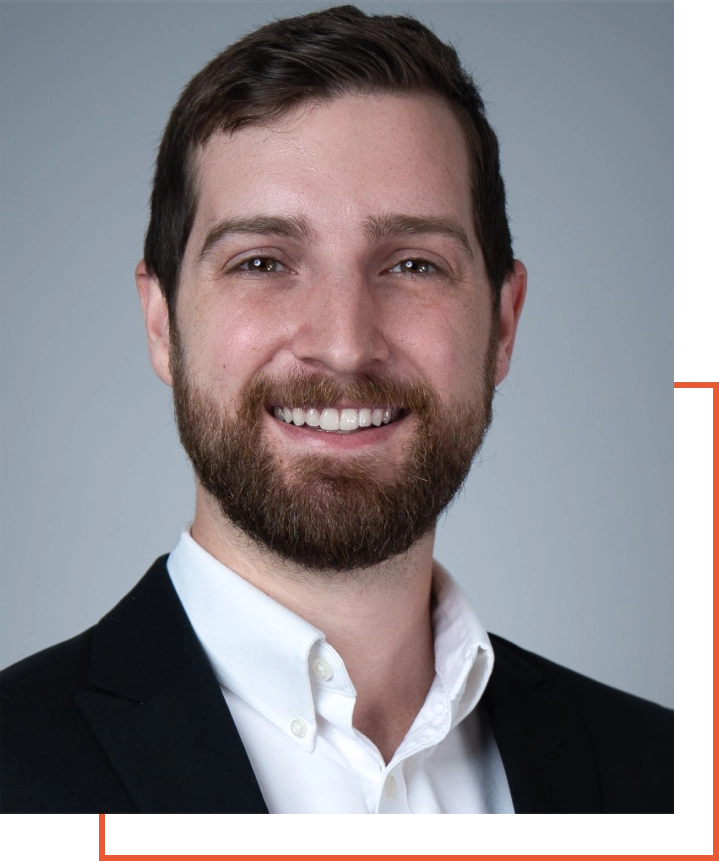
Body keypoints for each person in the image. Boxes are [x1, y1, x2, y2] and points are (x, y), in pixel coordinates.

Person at [0, 5, 674, 816]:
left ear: (501, 322)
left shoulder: (669, 775)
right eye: (262, 261)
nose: (345, 343)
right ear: (161, 323)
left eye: (412, 264)